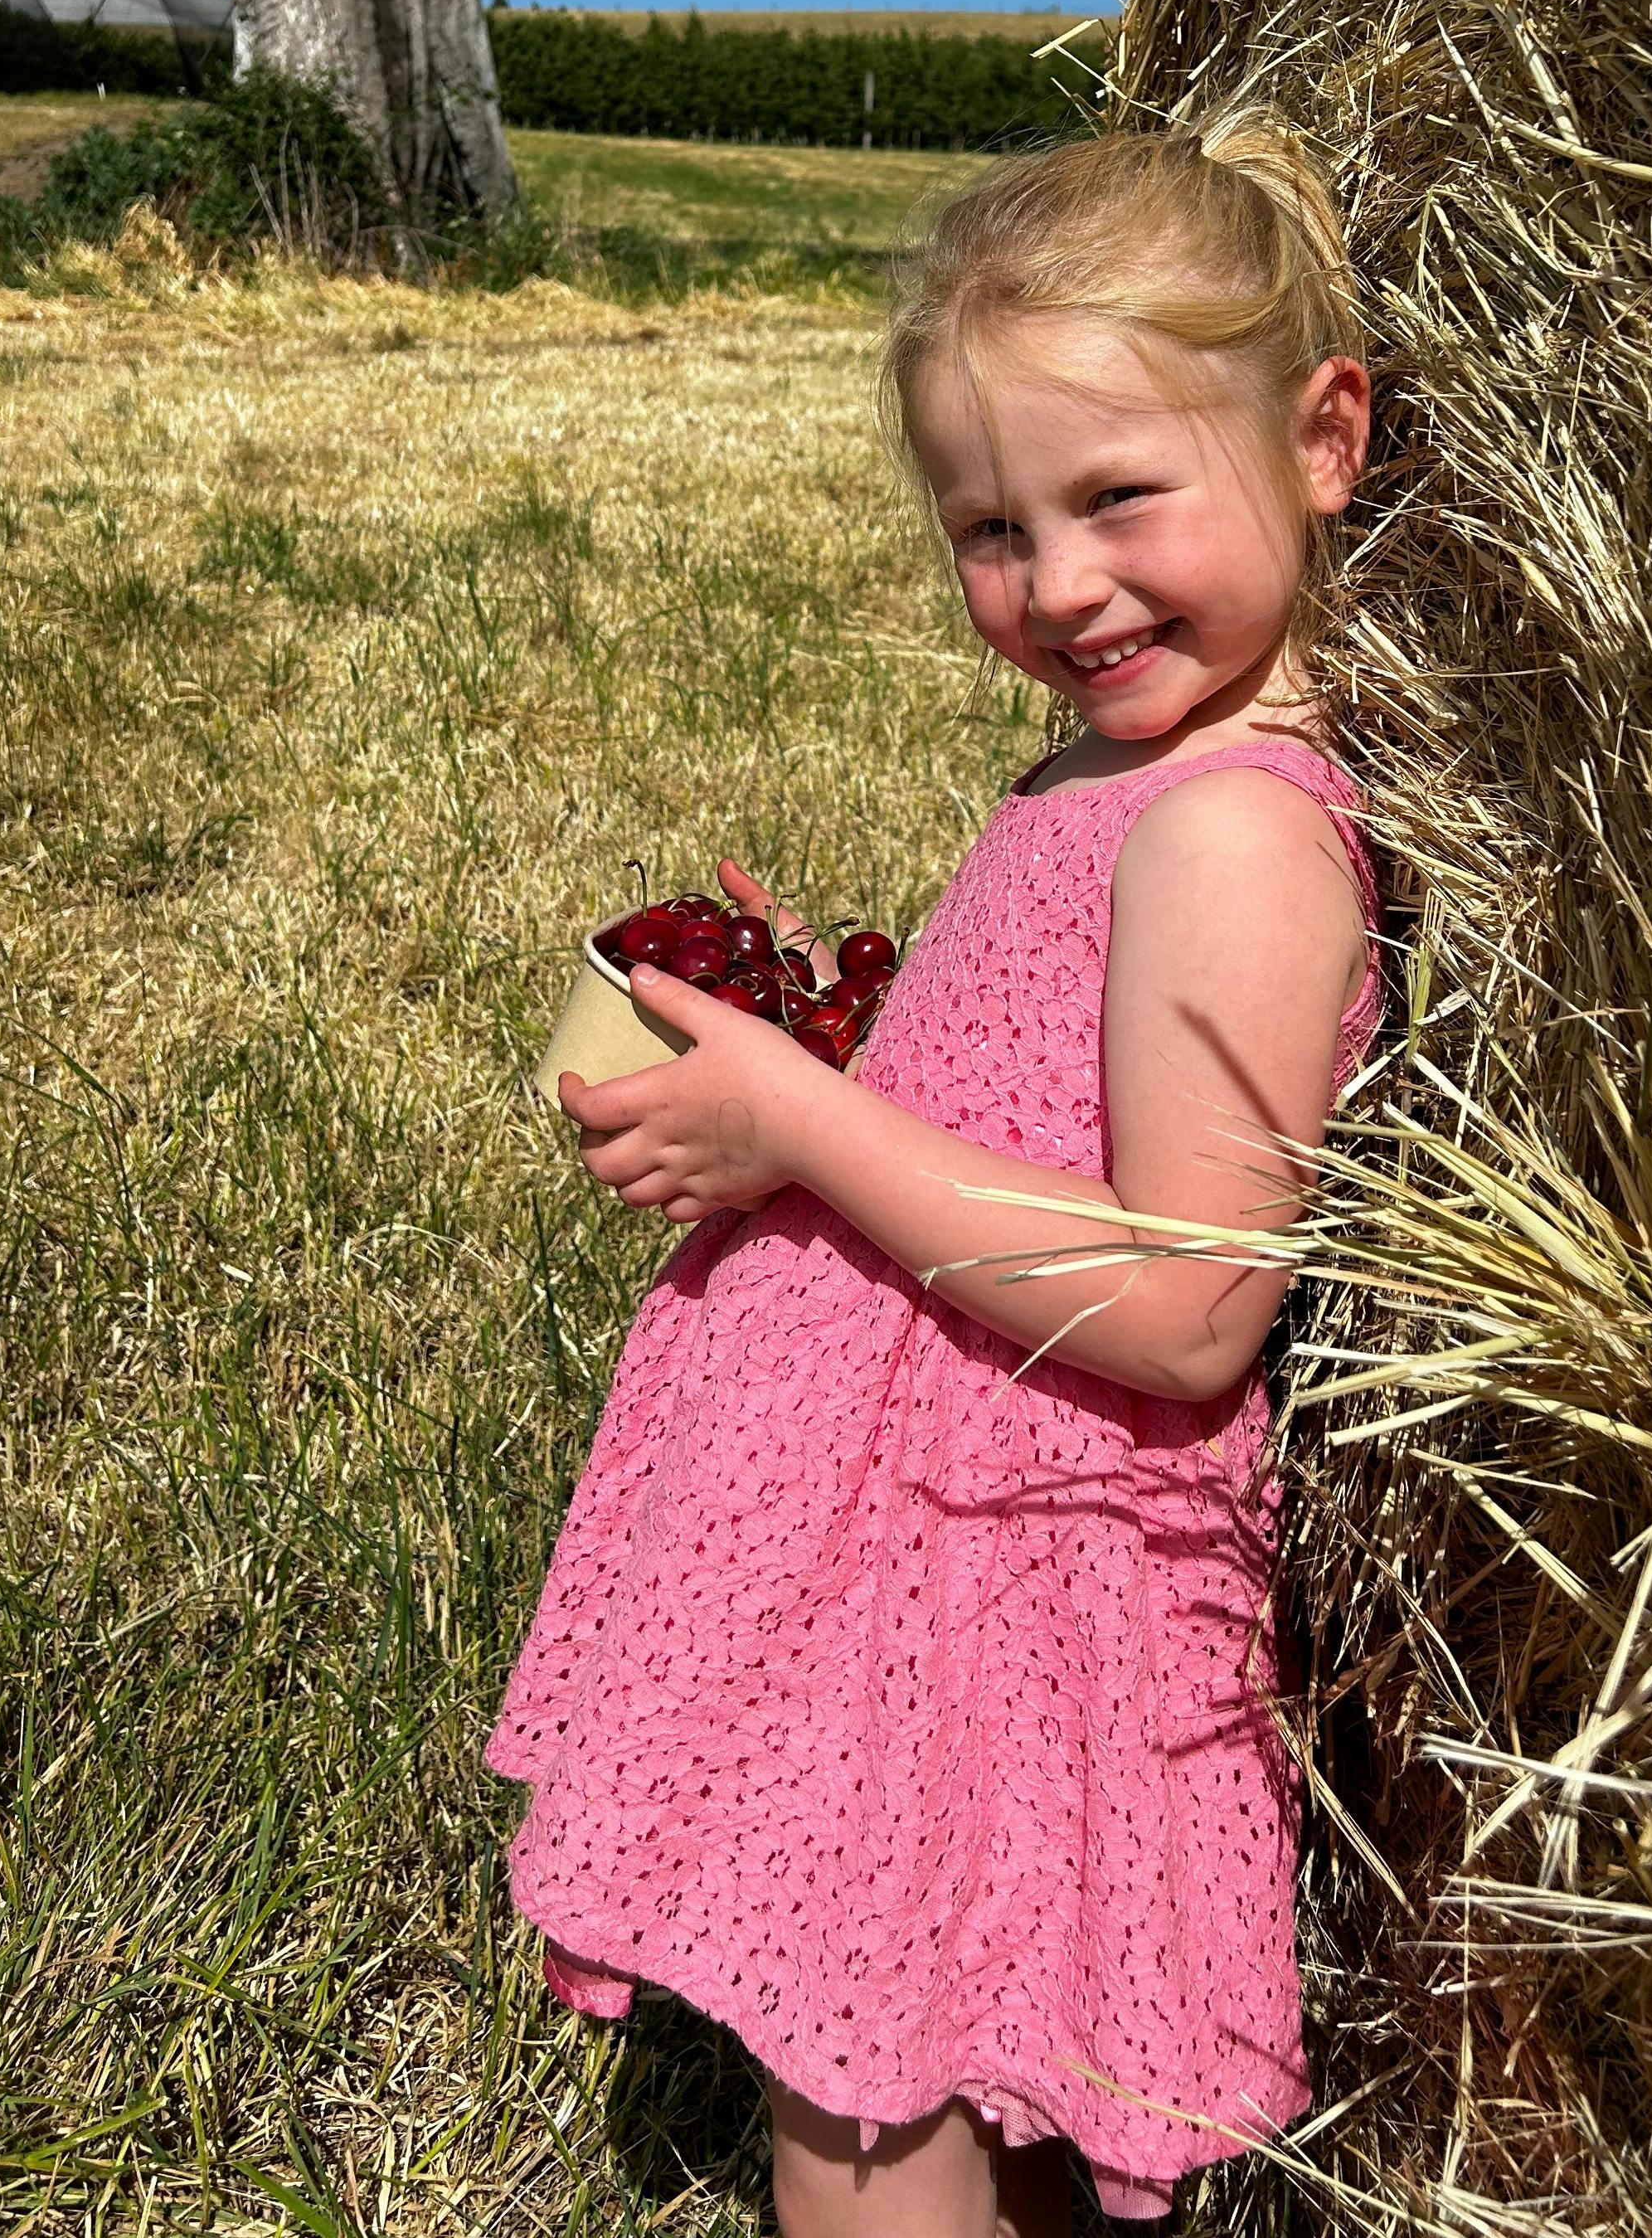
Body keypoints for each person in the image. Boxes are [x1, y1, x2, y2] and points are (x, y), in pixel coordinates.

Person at [489, 119, 1382, 2236]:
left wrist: (807, 1130)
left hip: (1011, 1553)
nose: (1058, 584)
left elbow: (1181, 1305)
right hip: (906, 1538)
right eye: (991, 528)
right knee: (923, 2028)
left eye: (1116, 499)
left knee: (867, 2078)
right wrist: (827, 1031)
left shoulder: (1238, 834)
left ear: (1325, 436)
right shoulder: (1122, 769)